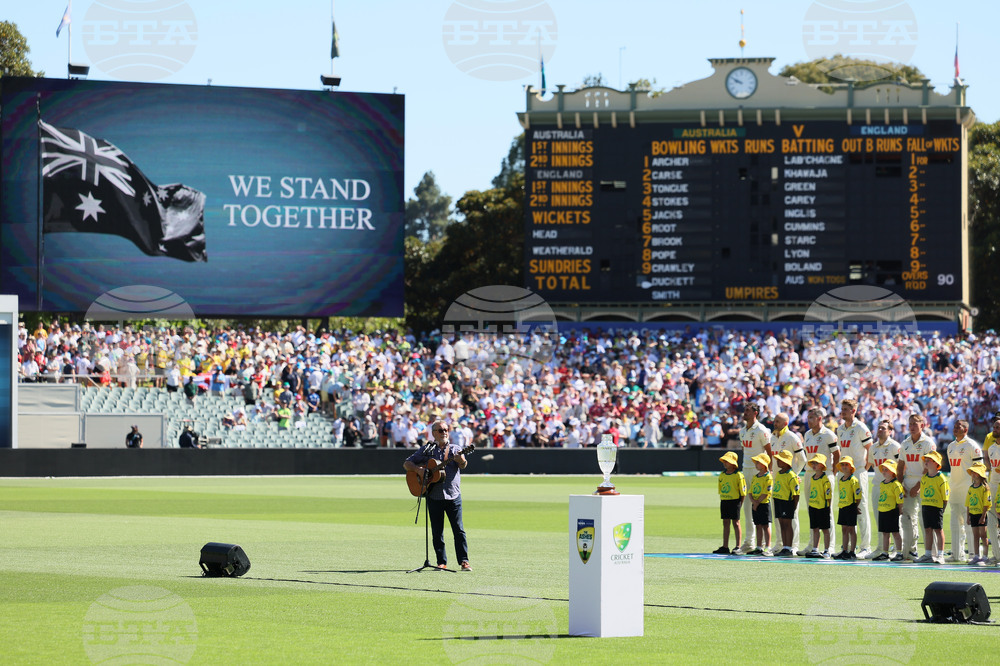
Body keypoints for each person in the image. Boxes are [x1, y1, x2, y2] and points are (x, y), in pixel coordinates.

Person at [403, 421, 471, 571]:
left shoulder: (456, 449)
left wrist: (461, 460)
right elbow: (407, 463)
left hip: (453, 495)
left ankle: (464, 561)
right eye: (440, 430)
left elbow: (463, 465)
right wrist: (419, 470)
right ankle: (441, 562)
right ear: (433, 433)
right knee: (437, 531)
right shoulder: (427, 450)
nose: (444, 432)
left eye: (446, 429)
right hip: (434, 495)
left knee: (459, 530)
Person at [836, 399, 873, 557]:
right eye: (842, 409)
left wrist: (864, 468)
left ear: (853, 411)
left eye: (846, 409)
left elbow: (870, 449)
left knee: (861, 508)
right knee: (846, 508)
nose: (843, 412)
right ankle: (848, 547)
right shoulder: (840, 429)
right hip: (844, 472)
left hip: (857, 471)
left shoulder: (860, 427)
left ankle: (865, 547)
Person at [897, 413, 936, 561]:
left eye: (915, 424)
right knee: (906, 518)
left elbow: (929, 467)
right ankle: (910, 550)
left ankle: (931, 553)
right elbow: (900, 466)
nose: (912, 427)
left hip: (925, 483)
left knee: (925, 518)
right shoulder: (905, 443)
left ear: (922, 425)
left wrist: (918, 486)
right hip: (908, 483)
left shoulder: (928, 443)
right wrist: (900, 485)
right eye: (910, 424)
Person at [802, 407, 839, 555]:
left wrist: (832, 474)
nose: (808, 421)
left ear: (819, 418)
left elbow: (837, 455)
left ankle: (830, 547)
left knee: (826, 511)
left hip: (824, 474)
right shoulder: (807, 434)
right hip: (809, 473)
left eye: (811, 418)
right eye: (808, 418)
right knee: (812, 510)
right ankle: (813, 545)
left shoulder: (828, 434)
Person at [945, 420, 982, 562]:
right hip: (954, 489)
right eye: (954, 427)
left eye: (958, 427)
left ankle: (973, 554)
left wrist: (976, 488)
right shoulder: (950, 446)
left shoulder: (972, 445)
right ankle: (956, 554)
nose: (955, 429)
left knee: (969, 523)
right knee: (955, 524)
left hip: (968, 490)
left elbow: (980, 468)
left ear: (965, 430)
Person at [737, 403, 772, 554]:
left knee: (762, 507)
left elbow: (769, 452)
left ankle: (764, 544)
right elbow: (745, 451)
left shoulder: (761, 430)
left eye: (748, 411)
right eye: (744, 410)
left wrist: (769, 471)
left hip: (759, 472)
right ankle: (749, 542)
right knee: (747, 507)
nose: (745, 413)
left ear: (755, 413)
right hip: (746, 470)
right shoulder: (742, 431)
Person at [770, 412, 805, 554]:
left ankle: (793, 546)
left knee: (791, 515)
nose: (775, 423)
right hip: (776, 480)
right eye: (775, 420)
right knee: (778, 515)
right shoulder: (772, 437)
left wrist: (793, 475)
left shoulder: (792, 437)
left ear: (785, 423)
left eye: (778, 421)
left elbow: (802, 459)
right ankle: (780, 544)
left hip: (788, 482)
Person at [866, 419, 901, 559]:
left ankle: (897, 550)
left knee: (895, 520)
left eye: (883, 428)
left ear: (890, 431)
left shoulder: (894, 446)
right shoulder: (873, 448)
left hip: (892, 487)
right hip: (878, 485)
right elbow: (870, 464)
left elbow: (901, 466)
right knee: (879, 518)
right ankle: (881, 548)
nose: (880, 430)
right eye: (879, 428)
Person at [916, 451, 949, 564]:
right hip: (926, 506)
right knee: (927, 530)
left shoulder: (941, 478)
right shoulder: (924, 478)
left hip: (936, 507)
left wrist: (942, 509)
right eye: (925, 460)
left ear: (936, 463)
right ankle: (928, 554)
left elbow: (945, 497)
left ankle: (940, 555)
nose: (926, 462)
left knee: (938, 530)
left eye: (929, 460)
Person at [714, 451, 745, 555]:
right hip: (724, 501)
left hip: (735, 501)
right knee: (725, 523)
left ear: (733, 463)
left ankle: (738, 546)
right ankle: (725, 546)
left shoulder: (738, 475)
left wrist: (740, 504)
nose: (724, 463)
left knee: (736, 523)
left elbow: (743, 492)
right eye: (724, 461)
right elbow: (721, 489)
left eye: (727, 461)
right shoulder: (722, 475)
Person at [771, 449, 801, 557]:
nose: (777, 461)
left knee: (787, 525)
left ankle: (789, 548)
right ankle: (784, 547)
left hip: (786, 502)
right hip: (778, 501)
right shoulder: (779, 473)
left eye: (780, 460)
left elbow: (796, 493)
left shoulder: (791, 475)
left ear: (786, 462)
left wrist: (793, 506)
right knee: (781, 525)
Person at [873, 461, 904, 561]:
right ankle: (885, 553)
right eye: (883, 469)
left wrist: (900, 510)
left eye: (887, 470)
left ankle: (899, 553)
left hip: (892, 511)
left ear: (893, 472)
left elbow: (900, 499)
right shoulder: (882, 483)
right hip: (882, 510)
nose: (884, 472)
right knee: (885, 533)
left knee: (895, 532)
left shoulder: (896, 484)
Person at [804, 453, 832, 558]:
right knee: (815, 528)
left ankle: (827, 550)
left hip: (822, 507)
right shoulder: (812, 478)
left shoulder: (825, 479)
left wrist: (828, 507)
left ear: (822, 465)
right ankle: (815, 549)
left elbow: (828, 495)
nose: (814, 465)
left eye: (816, 463)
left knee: (825, 529)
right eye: (813, 463)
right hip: (813, 506)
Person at [834, 456, 861, 560]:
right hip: (842, 506)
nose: (844, 467)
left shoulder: (853, 480)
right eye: (842, 465)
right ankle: (844, 550)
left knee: (851, 529)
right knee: (844, 529)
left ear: (851, 467)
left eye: (846, 465)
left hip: (850, 506)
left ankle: (852, 552)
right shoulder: (841, 479)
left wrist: (855, 507)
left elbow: (858, 495)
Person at [966, 464, 992, 565]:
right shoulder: (971, 488)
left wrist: (983, 516)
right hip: (973, 514)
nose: (973, 474)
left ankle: (985, 556)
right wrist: (968, 516)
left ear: (980, 474)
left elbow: (986, 504)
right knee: (975, 536)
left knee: (983, 536)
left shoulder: (985, 488)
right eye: (972, 472)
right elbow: (968, 503)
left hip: (981, 515)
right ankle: (976, 556)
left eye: (975, 472)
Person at [747, 452, 773, 557]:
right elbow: (750, 491)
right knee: (757, 525)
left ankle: (768, 547)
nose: (756, 464)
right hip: (755, 504)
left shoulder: (768, 477)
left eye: (758, 462)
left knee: (765, 526)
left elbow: (766, 492)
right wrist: (753, 502)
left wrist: (757, 503)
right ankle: (758, 547)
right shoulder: (755, 477)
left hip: (764, 504)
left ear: (764, 464)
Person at [986, 415, 1000, 566]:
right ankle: (997, 555)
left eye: (998, 427)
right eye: (994, 427)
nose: (995, 430)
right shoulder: (991, 449)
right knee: (991, 520)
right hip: (994, 487)